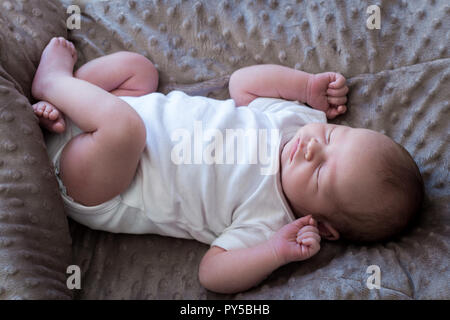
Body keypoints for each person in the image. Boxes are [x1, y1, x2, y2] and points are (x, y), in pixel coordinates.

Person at [32, 37, 423, 294]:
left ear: (322, 226)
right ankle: (62, 107)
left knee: (124, 130)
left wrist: (275, 252)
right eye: (335, 138)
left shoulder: (270, 219)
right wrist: (305, 88)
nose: (311, 148)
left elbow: (213, 275)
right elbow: (243, 84)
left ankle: (54, 83)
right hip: (107, 112)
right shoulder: (299, 123)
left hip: (98, 182)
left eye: (320, 172)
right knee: (139, 70)